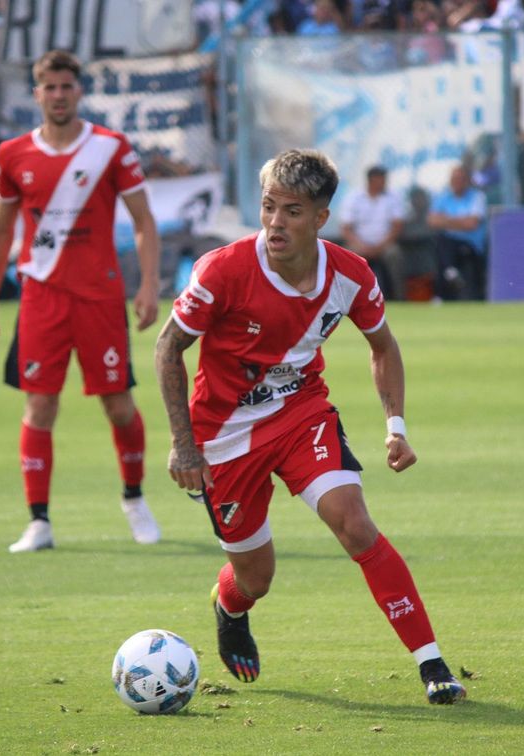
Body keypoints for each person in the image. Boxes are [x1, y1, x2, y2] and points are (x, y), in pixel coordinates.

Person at [154, 149, 467, 705]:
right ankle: (229, 606)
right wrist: (183, 445)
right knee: (256, 578)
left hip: (301, 415)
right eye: (269, 207)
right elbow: (168, 347)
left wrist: (395, 424)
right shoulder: (222, 270)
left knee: (355, 524)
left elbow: (383, 345)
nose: (276, 222)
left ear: (321, 217)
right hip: (223, 436)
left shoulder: (350, 274)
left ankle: (432, 664)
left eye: (292, 211)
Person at [0, 49, 162, 553]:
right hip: (42, 298)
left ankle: (134, 498)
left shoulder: (110, 147)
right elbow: (0, 230)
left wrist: (148, 285)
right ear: (36, 94)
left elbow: (144, 222)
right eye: (48, 87)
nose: (58, 96)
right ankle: (39, 522)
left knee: (119, 405)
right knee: (40, 405)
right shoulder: (13, 154)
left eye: (66, 87)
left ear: (79, 92)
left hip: (100, 297)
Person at [339, 165, 406, 300]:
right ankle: (345, 299)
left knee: (395, 255)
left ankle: (399, 298)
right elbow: (346, 228)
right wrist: (361, 245)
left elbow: (397, 226)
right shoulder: (354, 197)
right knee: (345, 258)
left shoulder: (393, 196)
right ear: (371, 180)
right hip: (359, 244)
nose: (383, 183)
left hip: (385, 244)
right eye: (380, 179)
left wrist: (380, 246)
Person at [428, 164, 488, 301]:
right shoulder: (443, 197)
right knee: (441, 241)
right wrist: (460, 221)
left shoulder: (477, 197)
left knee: (444, 244)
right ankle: (450, 272)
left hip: (470, 244)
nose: (456, 182)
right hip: (448, 242)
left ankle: (444, 286)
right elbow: (432, 221)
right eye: (454, 179)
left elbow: (472, 224)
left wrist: (446, 219)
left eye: (460, 179)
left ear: (467, 180)